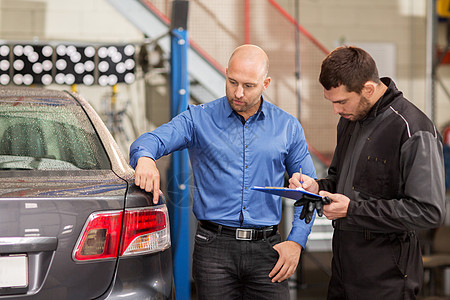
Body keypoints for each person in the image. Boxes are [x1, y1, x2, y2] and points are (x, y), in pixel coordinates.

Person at [129, 44, 316, 299]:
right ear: (226, 73)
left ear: (266, 83)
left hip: (267, 251)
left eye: (249, 86)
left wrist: (296, 242)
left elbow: (310, 192)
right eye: (232, 82)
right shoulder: (198, 119)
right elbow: (149, 141)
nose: (238, 93)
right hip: (214, 250)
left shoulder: (287, 127)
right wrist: (146, 159)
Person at [289, 45, 446, 299]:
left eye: (341, 101)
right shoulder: (350, 120)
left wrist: (352, 210)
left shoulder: (413, 129)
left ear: (368, 89)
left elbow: (429, 211)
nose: (336, 111)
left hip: (389, 282)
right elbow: (340, 181)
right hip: (343, 275)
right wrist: (317, 188)